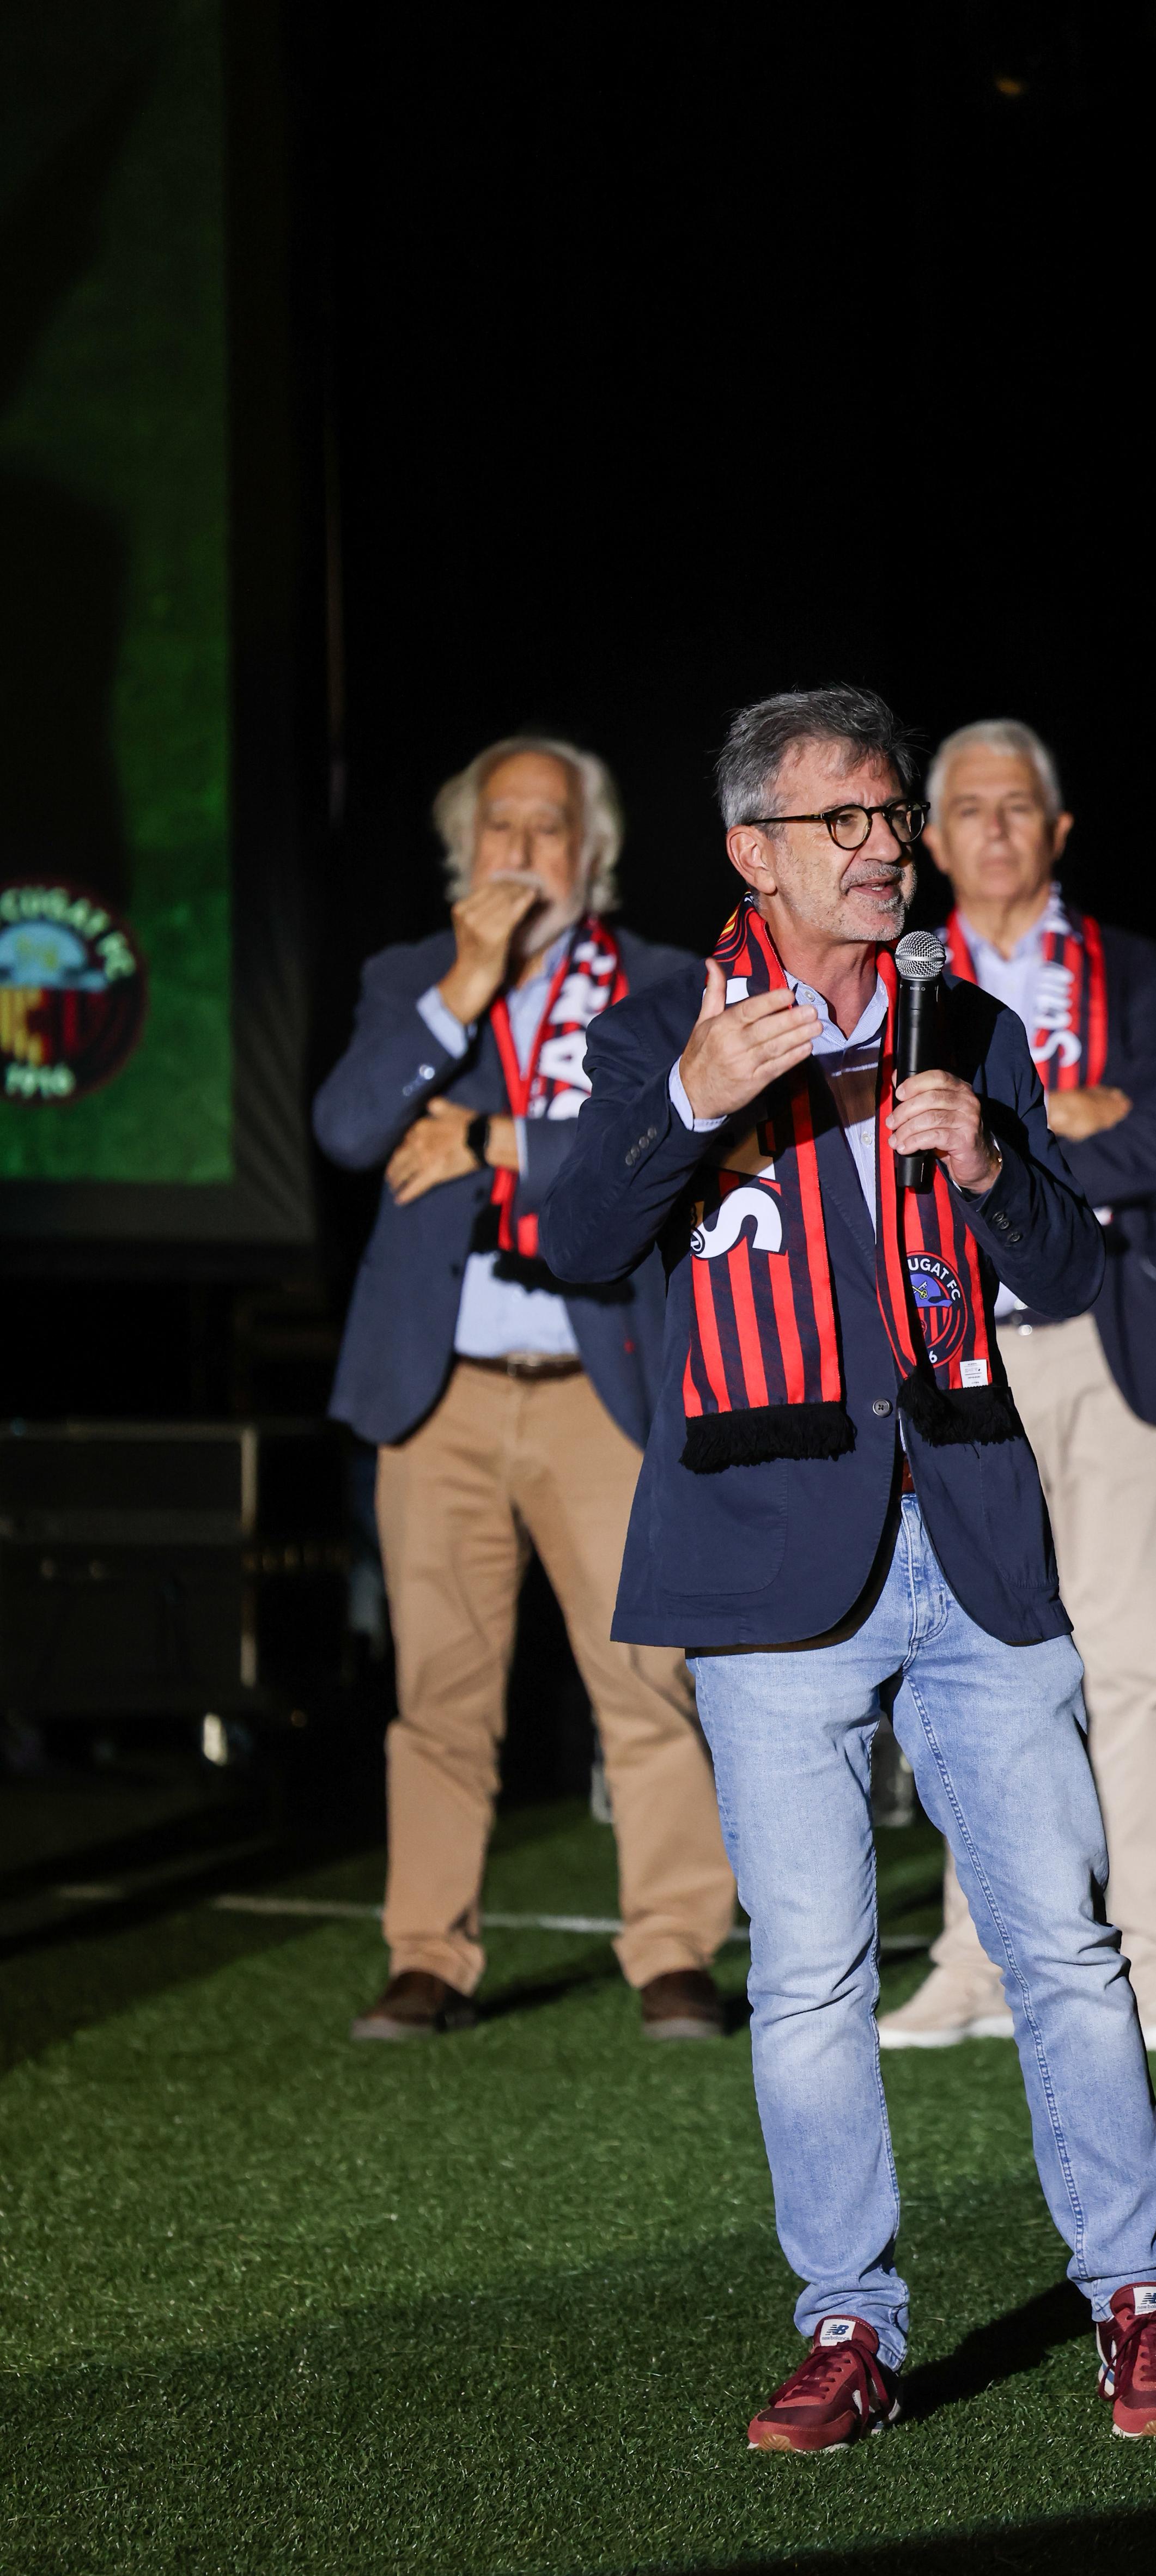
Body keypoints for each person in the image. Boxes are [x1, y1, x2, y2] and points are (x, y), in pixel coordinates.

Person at [543, 685, 1156, 2447]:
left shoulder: (960, 1021)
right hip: (768, 1559)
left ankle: (1133, 2300)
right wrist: (693, 1093)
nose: (881, 847)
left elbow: (1062, 1271)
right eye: (841, 820)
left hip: (973, 1532)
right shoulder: (653, 1027)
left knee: (1067, 1945)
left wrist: (995, 1164)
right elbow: (571, 1232)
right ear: (751, 850)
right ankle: (850, 2327)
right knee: (815, 1969)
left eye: (888, 815)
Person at [313, 736, 736, 2045]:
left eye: (551, 828)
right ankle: (427, 1955)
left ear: (594, 856)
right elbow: (345, 1129)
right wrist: (465, 985)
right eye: (502, 827)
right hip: (436, 1390)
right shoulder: (410, 981)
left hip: (595, 1379)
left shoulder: (662, 986)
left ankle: (673, 1950)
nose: (523, 850)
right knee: (439, 1693)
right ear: (465, 851)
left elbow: (670, 1134)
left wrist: (495, 1140)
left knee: (650, 1680)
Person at [876, 719, 1156, 2055]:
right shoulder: (902, 980)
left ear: (1058, 829)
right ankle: (975, 1964)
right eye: (967, 806)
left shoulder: (1132, 966)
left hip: (1108, 1345)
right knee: (979, 1671)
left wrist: (1017, 1133)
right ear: (933, 836)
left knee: (1133, 1668)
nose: (996, 826)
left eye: (1021, 805)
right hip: (955, 1348)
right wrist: (1064, 1115)